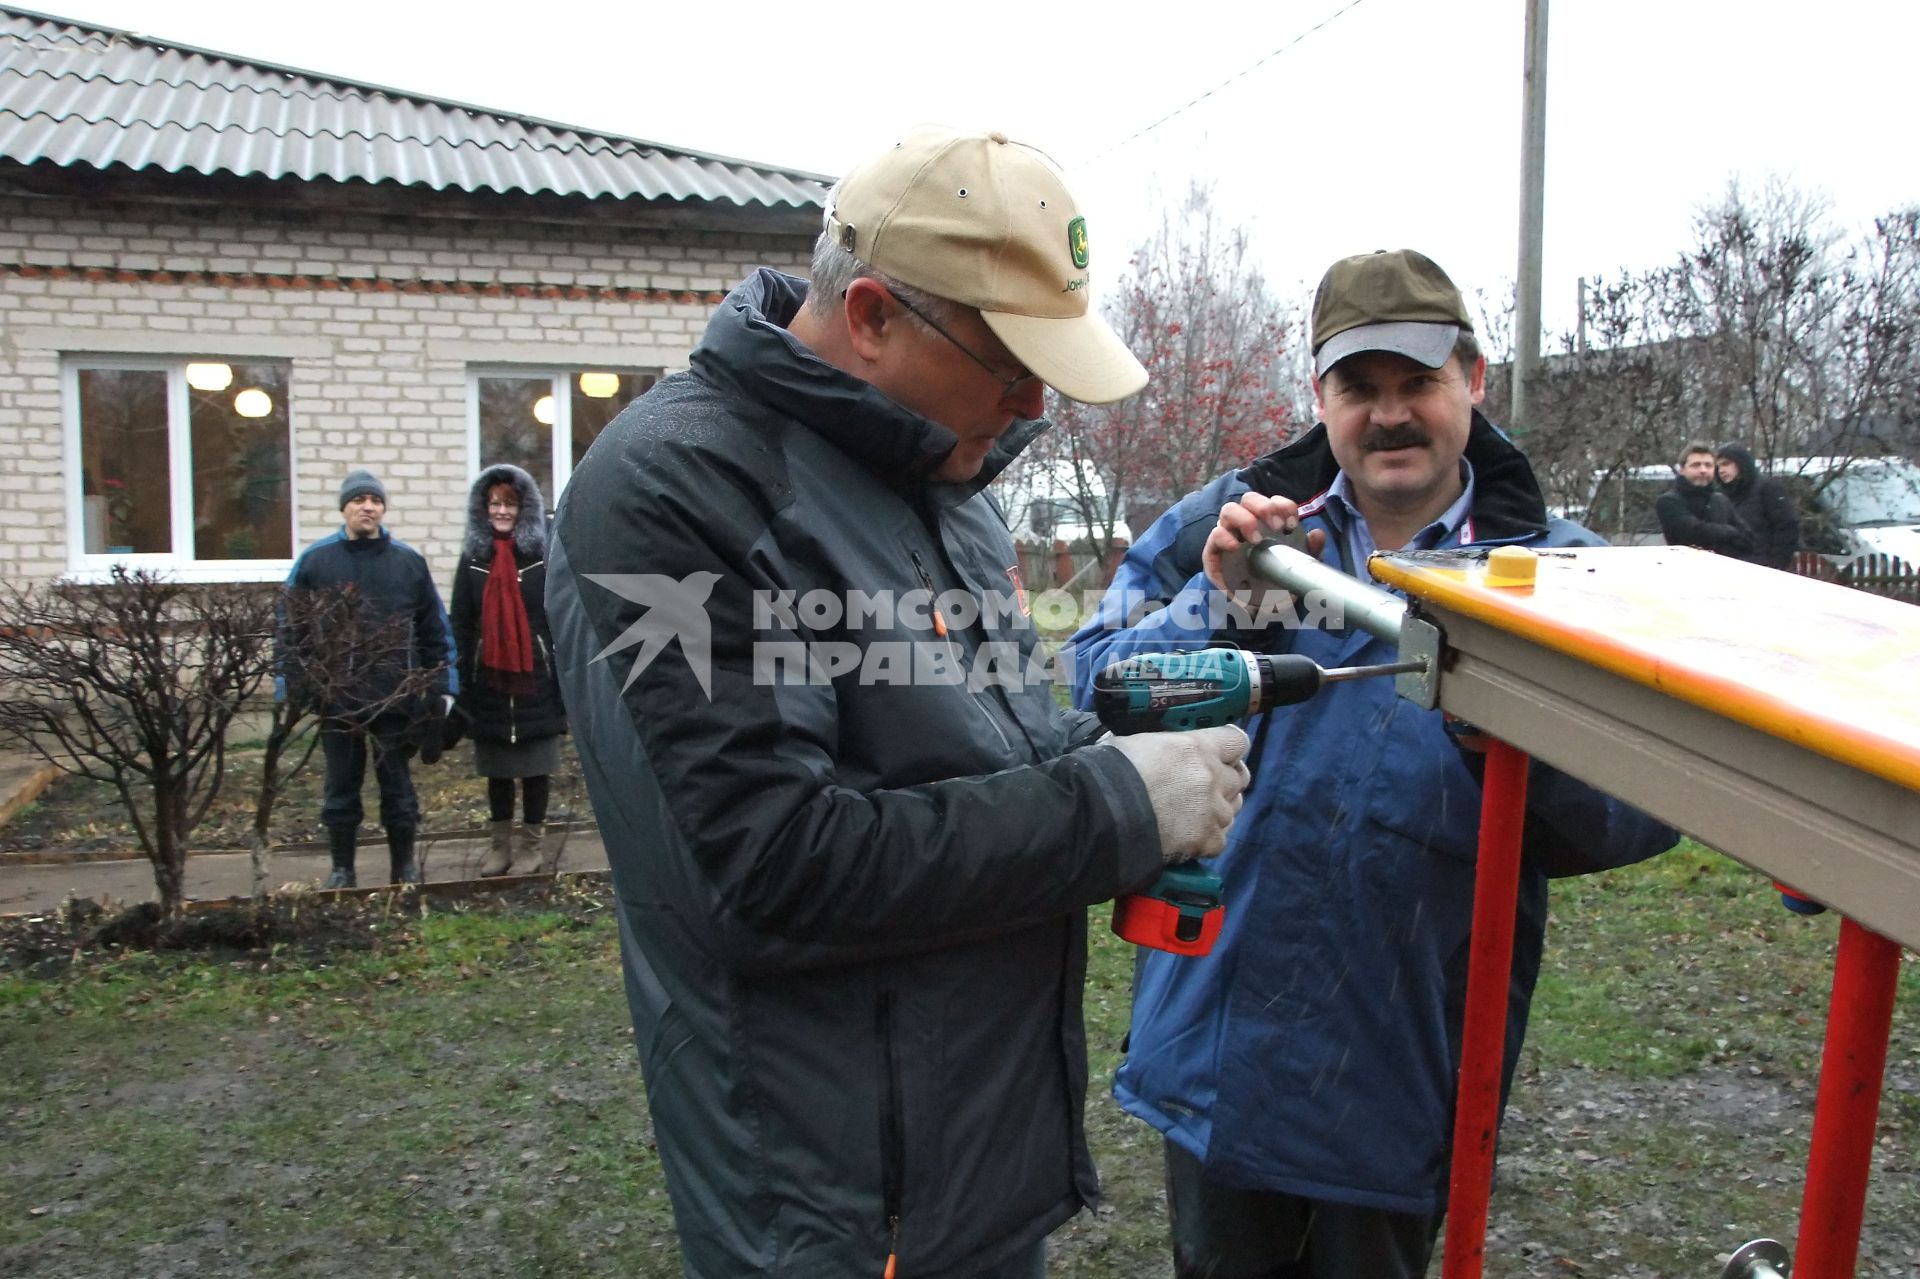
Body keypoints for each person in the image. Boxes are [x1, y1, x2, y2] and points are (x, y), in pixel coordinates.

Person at [544, 125, 1251, 1279]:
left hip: (973, 1154)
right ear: (871, 315)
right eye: (1008, 359)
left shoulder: (943, 475)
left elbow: (991, 739)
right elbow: (773, 868)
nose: (1034, 401)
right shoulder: (675, 490)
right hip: (833, 1194)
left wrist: (1121, 757)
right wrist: (1116, 807)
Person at [1064, 249, 1678, 1279]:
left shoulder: (1565, 573)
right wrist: (1212, 606)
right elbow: (1091, 686)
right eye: (1360, 389)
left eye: (1418, 384)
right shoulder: (1230, 525)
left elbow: (1650, 802)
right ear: (1321, 396)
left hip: (1404, 1064)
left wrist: (1517, 742)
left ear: (1472, 384)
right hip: (1219, 1051)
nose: (1389, 416)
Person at [281, 468, 455, 888]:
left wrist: (444, 688)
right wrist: (293, 686)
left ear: (383, 509)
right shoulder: (316, 561)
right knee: (340, 788)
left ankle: (404, 868)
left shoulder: (408, 563)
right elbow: (290, 630)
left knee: (398, 788)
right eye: (359, 500)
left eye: (375, 500)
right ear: (344, 507)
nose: (367, 507)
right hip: (336, 700)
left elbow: (435, 630)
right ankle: (342, 871)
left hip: (395, 699)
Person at [450, 463, 567, 876]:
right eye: (494, 503)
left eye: (510, 504)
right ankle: (499, 847)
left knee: (536, 768)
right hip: (490, 680)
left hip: (537, 677)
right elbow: (460, 623)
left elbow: (559, 615)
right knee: (497, 770)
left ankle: (532, 847)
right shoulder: (473, 560)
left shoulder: (542, 556)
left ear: (525, 508)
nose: (502, 511)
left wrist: (558, 670)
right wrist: (462, 678)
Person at [1655, 442, 1754, 555]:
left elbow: (1748, 541)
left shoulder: (1721, 500)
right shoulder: (1669, 501)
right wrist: (1730, 532)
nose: (1703, 470)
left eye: (1708, 465)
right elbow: (1693, 533)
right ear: (1682, 469)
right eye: (1696, 465)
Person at [1715, 442, 1800, 569]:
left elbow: (1787, 528)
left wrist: (1775, 567)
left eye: (1726, 464)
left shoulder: (1768, 488)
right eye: (1718, 466)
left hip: (1762, 569)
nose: (1721, 470)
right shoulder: (1722, 495)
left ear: (1741, 463)